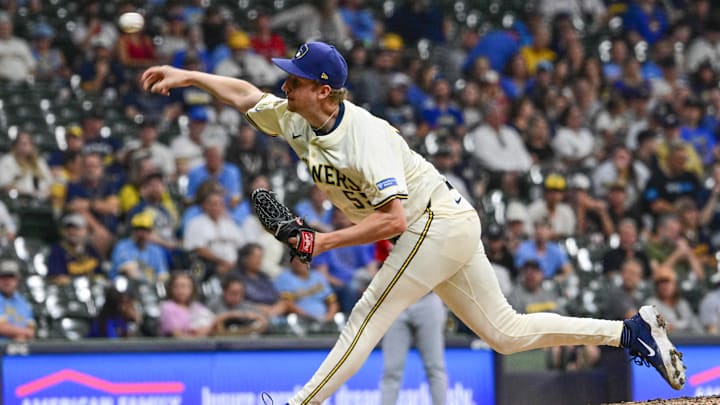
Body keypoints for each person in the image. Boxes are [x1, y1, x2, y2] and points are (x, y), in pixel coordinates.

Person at [141, 41, 687, 403]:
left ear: (324, 90)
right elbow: (245, 95)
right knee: (504, 333)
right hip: (444, 224)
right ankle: (629, 332)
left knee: (364, 316)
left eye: (297, 80)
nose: (286, 85)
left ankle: (300, 402)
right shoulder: (294, 116)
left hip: (433, 221)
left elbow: (393, 218)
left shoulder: (365, 136)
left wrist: (322, 240)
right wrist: (188, 75)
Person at [0, 258, 35, 341]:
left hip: (21, 350)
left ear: (17, 279)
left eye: (11, 277)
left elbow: (31, 331)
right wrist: (23, 333)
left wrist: (21, 335)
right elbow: (1, 327)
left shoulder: (24, 303)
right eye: (3, 277)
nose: (7, 281)